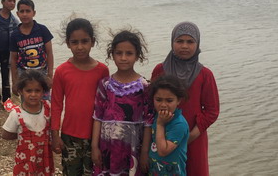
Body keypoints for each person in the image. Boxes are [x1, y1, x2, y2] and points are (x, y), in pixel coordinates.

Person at [150, 22, 219, 176]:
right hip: (162, 136)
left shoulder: (205, 74)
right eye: (179, 41)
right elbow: (151, 103)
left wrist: (188, 136)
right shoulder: (160, 70)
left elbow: (212, 111)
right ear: (172, 42)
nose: (185, 46)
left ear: (198, 43)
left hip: (194, 138)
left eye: (190, 42)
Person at [51, 18, 109, 175]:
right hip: (70, 136)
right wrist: (55, 134)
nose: (80, 47)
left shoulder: (102, 70)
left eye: (85, 41)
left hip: (95, 136)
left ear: (93, 41)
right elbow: (56, 104)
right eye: (75, 42)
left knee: (94, 172)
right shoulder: (62, 71)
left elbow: (106, 106)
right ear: (68, 43)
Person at [91, 29, 151, 175]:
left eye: (129, 53)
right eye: (119, 53)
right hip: (107, 145)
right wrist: (94, 146)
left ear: (137, 56)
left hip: (132, 146)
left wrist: (144, 153)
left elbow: (148, 122)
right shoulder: (105, 84)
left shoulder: (144, 86)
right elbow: (98, 117)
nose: (123, 58)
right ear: (112, 55)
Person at [2, 69, 54, 175]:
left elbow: (54, 126)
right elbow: (6, 134)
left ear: (43, 91)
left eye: (37, 90)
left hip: (45, 160)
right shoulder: (17, 114)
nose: (33, 94)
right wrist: (23, 135)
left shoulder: (48, 107)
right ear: (21, 91)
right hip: (25, 161)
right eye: (29, 91)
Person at [140, 75, 189, 175]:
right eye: (158, 100)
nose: (163, 105)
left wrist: (160, 125)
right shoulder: (156, 116)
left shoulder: (179, 124)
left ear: (178, 100)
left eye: (169, 100)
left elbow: (163, 151)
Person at [9, 0, 54, 99]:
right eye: (22, 11)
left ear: (34, 13)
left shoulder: (42, 30)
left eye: (28, 11)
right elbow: (13, 59)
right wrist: (14, 82)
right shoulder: (15, 35)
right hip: (24, 73)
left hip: (42, 71)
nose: (25, 14)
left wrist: (50, 76)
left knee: (45, 101)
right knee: (27, 100)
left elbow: (49, 53)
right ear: (17, 13)